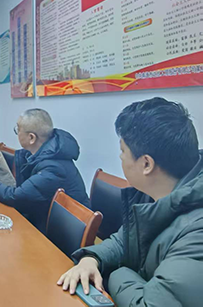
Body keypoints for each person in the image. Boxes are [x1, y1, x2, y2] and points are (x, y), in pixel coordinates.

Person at [58, 98, 203, 306]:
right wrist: (91, 259)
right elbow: (124, 240)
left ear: (146, 164)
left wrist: (118, 272)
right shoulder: (157, 191)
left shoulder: (197, 231)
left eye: (123, 150)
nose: (120, 157)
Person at [0, 109, 89, 233]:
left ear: (31, 138)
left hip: (60, 233)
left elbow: (16, 197)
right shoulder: (37, 155)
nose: (17, 133)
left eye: (18, 129)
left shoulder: (54, 168)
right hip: (43, 217)